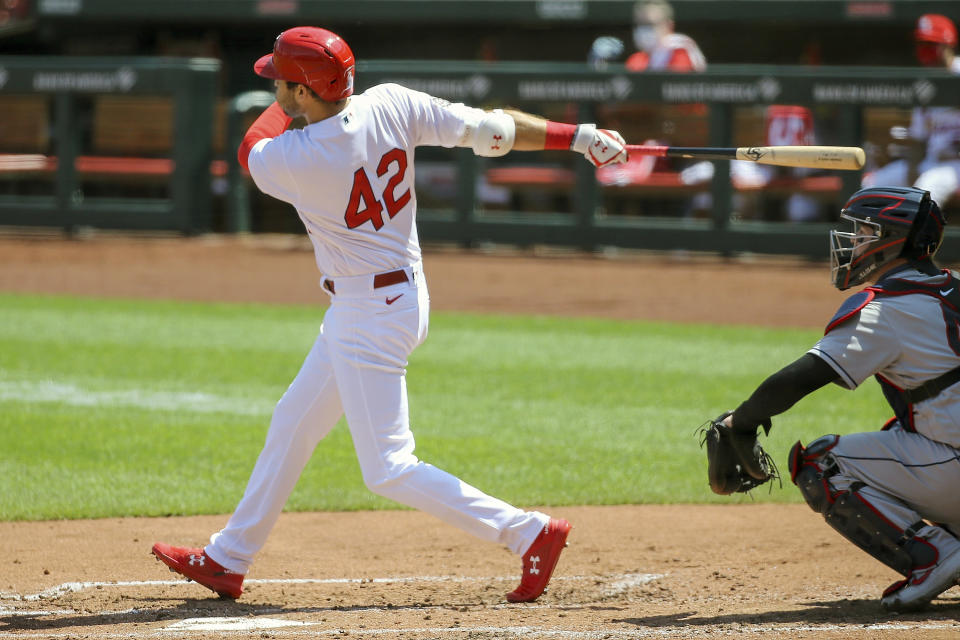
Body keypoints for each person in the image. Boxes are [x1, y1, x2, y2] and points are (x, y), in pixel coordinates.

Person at [151, 26, 628, 604]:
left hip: (367, 313)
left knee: (388, 467)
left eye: (282, 81)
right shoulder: (392, 102)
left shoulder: (295, 156)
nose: (275, 87)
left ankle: (526, 532)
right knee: (294, 422)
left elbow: (250, 147)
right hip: (396, 297)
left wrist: (288, 102)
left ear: (304, 93)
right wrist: (580, 136)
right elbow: (494, 130)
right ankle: (228, 557)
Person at [713, 185, 960, 612]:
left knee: (823, 464)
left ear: (892, 239)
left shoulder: (888, 309)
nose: (855, 242)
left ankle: (936, 553)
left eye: (865, 231)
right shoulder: (952, 288)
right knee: (903, 430)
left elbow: (801, 378)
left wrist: (743, 421)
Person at [862, 14, 960, 209]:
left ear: (948, 44)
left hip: (954, 165)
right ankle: (870, 239)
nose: (925, 52)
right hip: (931, 162)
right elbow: (918, 139)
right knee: (868, 187)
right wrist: (913, 169)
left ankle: (917, 240)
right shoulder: (924, 83)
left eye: (931, 45)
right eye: (921, 45)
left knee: (922, 192)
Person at [625, 0, 706, 72]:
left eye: (650, 24)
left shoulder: (682, 51)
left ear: (669, 26)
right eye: (640, 24)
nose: (643, 30)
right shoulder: (635, 60)